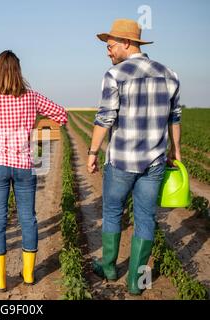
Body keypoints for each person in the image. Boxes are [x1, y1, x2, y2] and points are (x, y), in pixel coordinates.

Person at [87, 19, 182, 295]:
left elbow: (105, 119)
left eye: (110, 46)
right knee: (145, 218)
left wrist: (93, 152)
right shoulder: (170, 74)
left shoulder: (115, 75)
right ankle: (136, 283)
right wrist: (175, 151)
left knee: (113, 211)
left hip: (121, 161)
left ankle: (108, 267)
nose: (108, 52)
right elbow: (174, 118)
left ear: (127, 43)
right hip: (154, 161)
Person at [0, 50, 68, 290]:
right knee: (28, 218)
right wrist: (38, 126)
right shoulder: (32, 97)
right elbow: (62, 114)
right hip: (23, 165)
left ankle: (0, 278)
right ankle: (28, 274)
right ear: (18, 71)